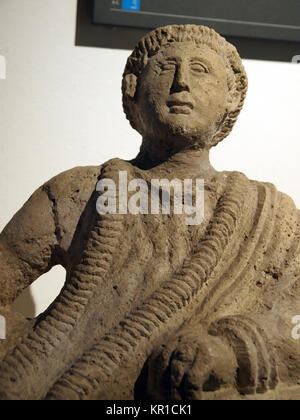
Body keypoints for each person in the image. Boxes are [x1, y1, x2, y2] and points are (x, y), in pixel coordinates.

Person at [0, 25, 299, 400]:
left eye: (200, 70)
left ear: (231, 97)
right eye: (165, 68)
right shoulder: (78, 191)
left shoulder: (270, 215)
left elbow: (294, 324)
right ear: (133, 89)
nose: (181, 83)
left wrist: (230, 349)